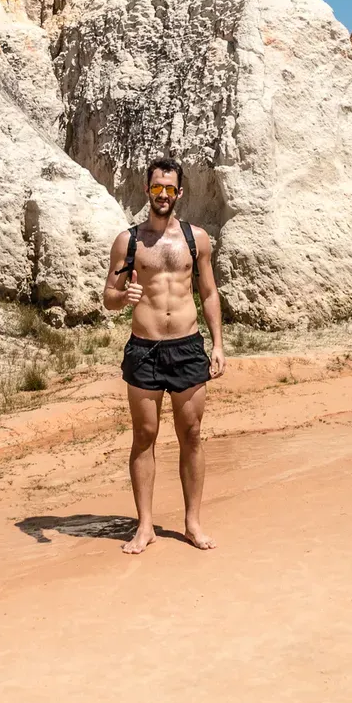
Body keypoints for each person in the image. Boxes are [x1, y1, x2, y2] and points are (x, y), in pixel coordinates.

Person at [101, 157, 225, 553]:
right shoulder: (128, 241)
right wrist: (124, 296)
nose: (164, 195)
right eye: (157, 188)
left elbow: (208, 293)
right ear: (147, 190)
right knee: (144, 436)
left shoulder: (196, 239)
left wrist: (217, 344)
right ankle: (145, 526)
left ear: (180, 192)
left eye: (170, 189)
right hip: (144, 348)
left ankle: (192, 523)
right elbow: (108, 298)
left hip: (187, 347)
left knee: (191, 434)